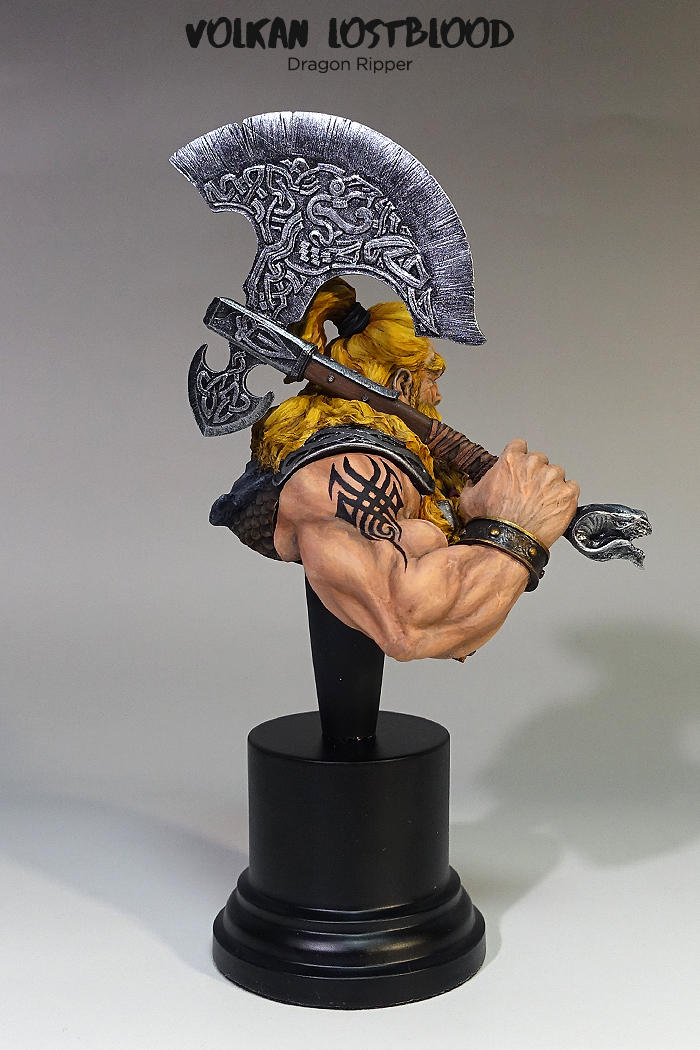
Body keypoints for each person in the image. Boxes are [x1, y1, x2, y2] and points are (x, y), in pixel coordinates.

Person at [212, 278, 579, 662]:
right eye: (431, 381)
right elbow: (404, 624)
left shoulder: (388, 462)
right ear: (402, 383)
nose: (437, 396)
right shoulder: (353, 470)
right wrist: (515, 527)